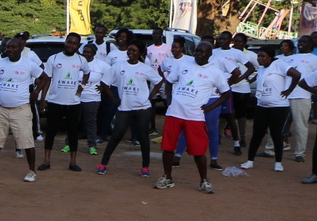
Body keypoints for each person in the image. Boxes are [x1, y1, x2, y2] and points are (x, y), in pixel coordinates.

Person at [158, 41, 233, 193]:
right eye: (197, 51)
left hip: (195, 116)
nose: (198, 54)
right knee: (168, 147)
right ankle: (167, 177)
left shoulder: (215, 72)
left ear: (210, 54)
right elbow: (169, 81)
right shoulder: (183, 65)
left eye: (202, 51)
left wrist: (210, 107)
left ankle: (204, 181)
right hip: (174, 113)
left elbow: (226, 93)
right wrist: (169, 100)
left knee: (198, 151)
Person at [0, 33, 46, 181]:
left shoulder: (28, 64)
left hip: (21, 110)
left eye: (13, 47)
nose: (10, 49)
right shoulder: (0, 64)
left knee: (26, 141)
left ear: (21, 48)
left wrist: (36, 92)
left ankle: (32, 171)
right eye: (8, 47)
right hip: (1, 109)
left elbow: (45, 77)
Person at [97, 42, 160, 176]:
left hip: (142, 108)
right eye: (129, 50)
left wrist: (150, 96)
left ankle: (145, 167)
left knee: (143, 137)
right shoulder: (118, 66)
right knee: (116, 136)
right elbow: (104, 82)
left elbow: (159, 81)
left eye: (134, 50)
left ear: (140, 53)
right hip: (124, 108)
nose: (131, 52)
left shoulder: (145, 68)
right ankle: (103, 164)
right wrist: (114, 99)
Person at [239, 46, 297, 172]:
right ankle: (250, 161)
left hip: (278, 106)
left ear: (270, 57)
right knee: (257, 134)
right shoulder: (261, 69)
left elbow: (296, 74)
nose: (260, 58)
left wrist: (289, 90)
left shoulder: (279, 65)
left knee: (276, 134)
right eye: (258, 56)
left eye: (263, 56)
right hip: (262, 106)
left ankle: (278, 162)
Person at [37, 32, 89, 172]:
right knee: (51, 132)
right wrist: (43, 99)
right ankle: (46, 161)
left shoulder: (81, 60)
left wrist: (82, 85)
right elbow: (47, 79)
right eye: (69, 42)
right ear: (65, 42)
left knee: (73, 133)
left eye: (74, 43)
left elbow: (87, 72)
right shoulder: (53, 58)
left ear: (78, 45)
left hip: (73, 102)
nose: (71, 45)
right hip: (55, 101)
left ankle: (73, 162)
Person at [77, 41, 111, 156]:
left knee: (90, 122)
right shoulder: (77, 63)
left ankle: (91, 145)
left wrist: (103, 86)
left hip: (92, 97)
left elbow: (113, 74)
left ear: (94, 54)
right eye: (84, 52)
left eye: (89, 52)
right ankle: (69, 143)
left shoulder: (101, 65)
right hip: (75, 97)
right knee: (73, 121)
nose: (86, 54)